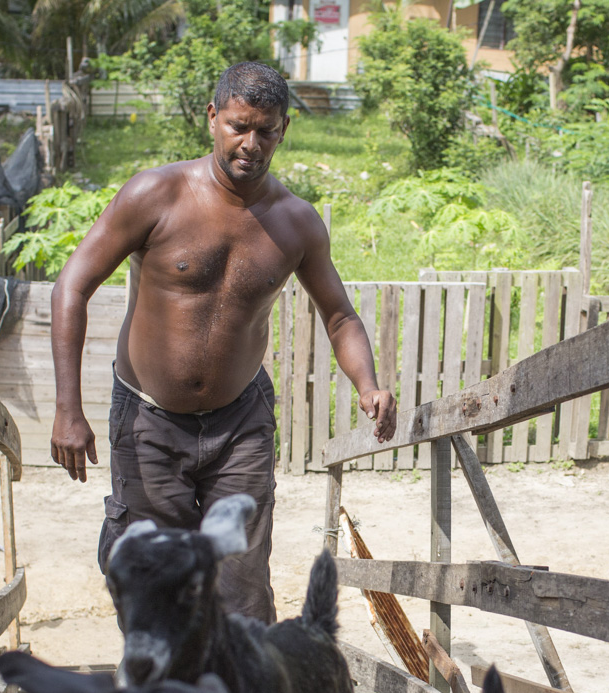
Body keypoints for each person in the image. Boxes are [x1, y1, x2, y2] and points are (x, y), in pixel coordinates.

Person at [48, 62, 397, 624]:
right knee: (151, 573)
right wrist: (68, 408)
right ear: (213, 118)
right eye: (238, 126)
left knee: (240, 579)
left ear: (283, 130)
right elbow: (72, 287)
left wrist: (368, 384)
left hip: (240, 425)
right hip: (148, 419)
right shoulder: (154, 194)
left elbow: (339, 316)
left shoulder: (296, 223)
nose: (250, 144)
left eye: (265, 130)